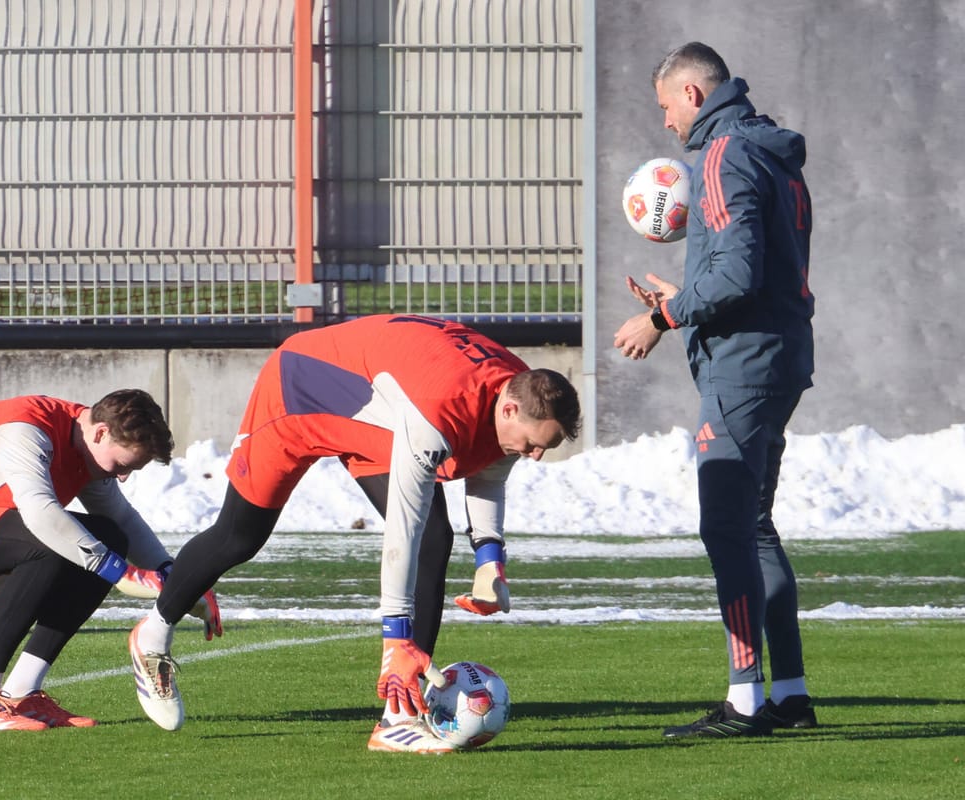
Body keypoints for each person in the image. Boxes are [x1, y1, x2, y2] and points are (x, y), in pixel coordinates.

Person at [122, 314, 580, 752]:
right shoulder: (438, 414)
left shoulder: (516, 387)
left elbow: (491, 469)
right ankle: (153, 634)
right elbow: (403, 530)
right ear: (511, 407)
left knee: (436, 542)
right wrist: (396, 641)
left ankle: (398, 721)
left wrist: (489, 561)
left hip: (376, 403)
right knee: (240, 535)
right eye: (534, 444)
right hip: (301, 388)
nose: (535, 456)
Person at [614, 42, 817, 738]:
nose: (667, 123)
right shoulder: (769, 149)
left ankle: (744, 701)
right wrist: (684, 294)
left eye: (667, 106)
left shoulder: (722, 155)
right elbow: (747, 273)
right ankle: (789, 693)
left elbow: (736, 278)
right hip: (779, 355)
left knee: (725, 528)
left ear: (693, 95)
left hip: (744, 367)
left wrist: (660, 315)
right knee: (755, 528)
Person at [0, 389, 218, 730]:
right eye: (122, 465)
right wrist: (118, 571)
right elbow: (40, 513)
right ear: (101, 432)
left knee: (107, 537)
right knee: (54, 542)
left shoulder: (88, 442)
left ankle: (21, 694)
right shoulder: (27, 431)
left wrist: (176, 578)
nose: (122, 476)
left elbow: (121, 519)